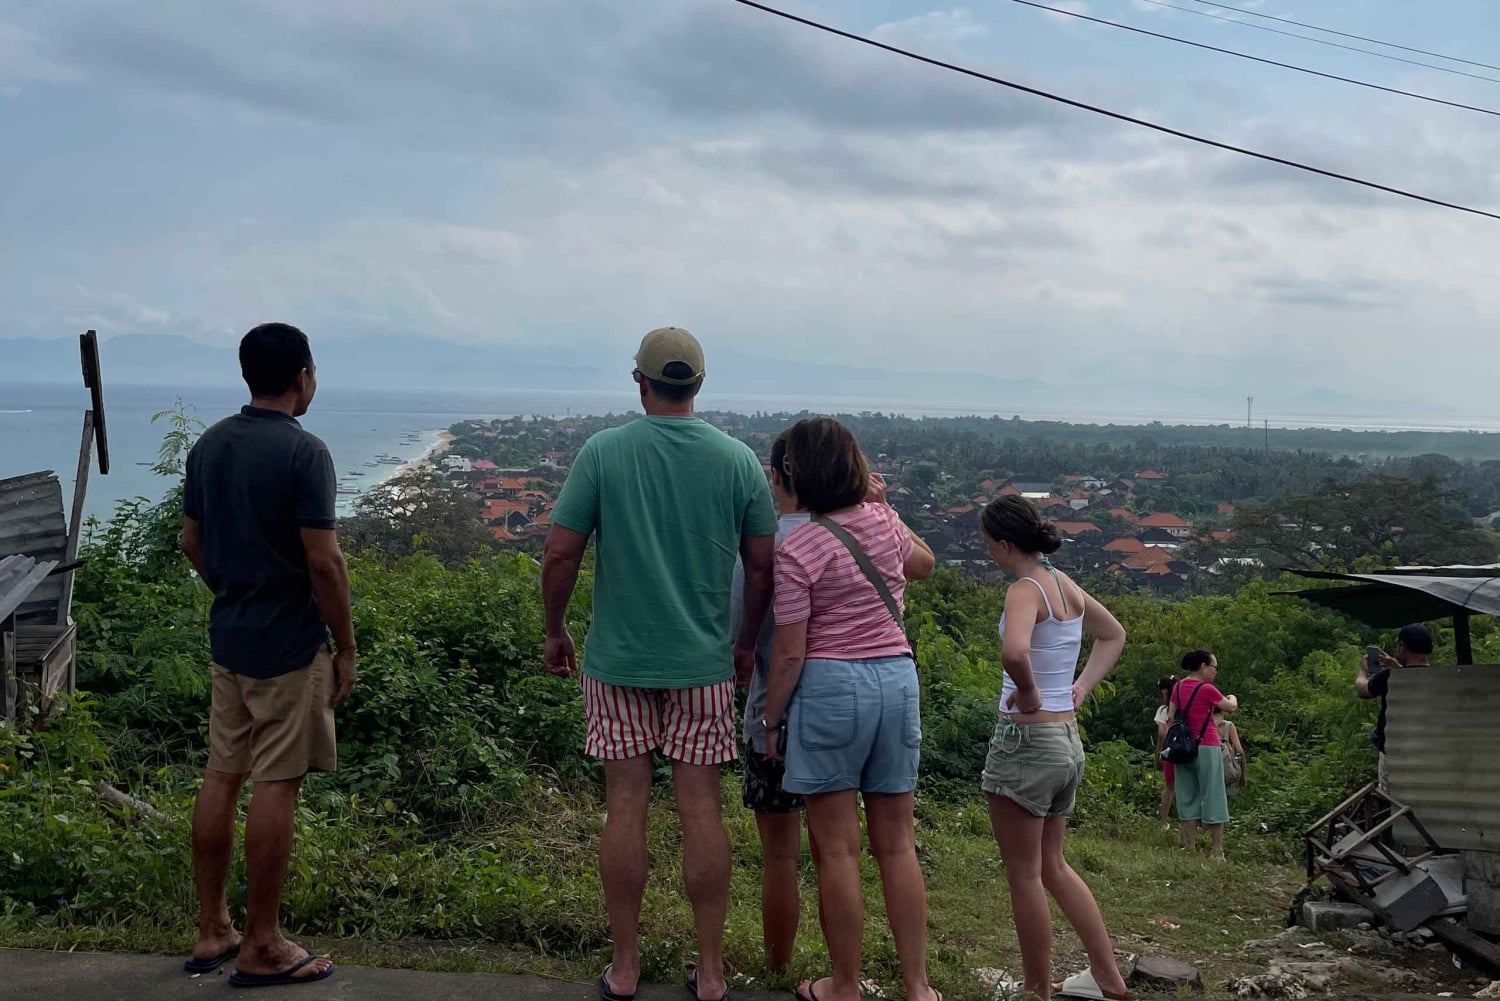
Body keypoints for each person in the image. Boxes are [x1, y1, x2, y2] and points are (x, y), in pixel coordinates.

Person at [542, 327, 778, 1001]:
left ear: (639, 382)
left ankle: (624, 965)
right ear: (698, 386)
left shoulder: (604, 452)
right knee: (700, 808)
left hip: (616, 660)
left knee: (625, 803)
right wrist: (741, 644)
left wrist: (556, 629)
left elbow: (560, 554)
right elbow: (761, 567)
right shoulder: (736, 461)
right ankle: (709, 970)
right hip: (704, 663)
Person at [179, 323, 356, 988]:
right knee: (276, 783)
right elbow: (324, 561)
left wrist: (231, 590)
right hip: (288, 646)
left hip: (230, 640)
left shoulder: (211, 445)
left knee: (222, 772)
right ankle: (262, 941)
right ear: (303, 376)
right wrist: (345, 643)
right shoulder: (304, 454)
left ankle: (211, 927)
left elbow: (191, 541)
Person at [760, 417, 939, 1001]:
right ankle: (918, 985)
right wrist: (884, 505)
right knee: (898, 844)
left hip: (832, 687)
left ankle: (845, 985)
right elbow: (924, 564)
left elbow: (790, 652)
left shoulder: (799, 545)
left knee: (838, 848)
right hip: (897, 678)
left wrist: (771, 720)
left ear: (792, 473)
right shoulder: (884, 521)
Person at [978, 495, 1133, 1001]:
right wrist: (1080, 688)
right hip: (1065, 739)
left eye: (988, 546)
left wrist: (1026, 692)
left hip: (1026, 740)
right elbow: (1113, 635)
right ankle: (1108, 978)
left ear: (1004, 545)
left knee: (1024, 875)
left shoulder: (1024, 589)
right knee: (1054, 866)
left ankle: (1036, 991)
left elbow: (1014, 652)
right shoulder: (1064, 585)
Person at [729, 429, 817, 974]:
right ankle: (846, 972)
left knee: (780, 857)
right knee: (838, 853)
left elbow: (742, 632)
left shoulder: (765, 553)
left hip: (772, 719)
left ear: (776, 478)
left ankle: (778, 969)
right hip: (839, 713)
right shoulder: (848, 539)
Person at [1171, 650, 1237, 862]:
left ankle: (1190, 847)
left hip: (1182, 748)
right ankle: (1216, 850)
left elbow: (1171, 716)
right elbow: (1230, 707)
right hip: (1207, 745)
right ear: (1202, 666)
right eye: (1213, 667)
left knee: (1186, 795)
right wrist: (1232, 697)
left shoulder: (1178, 687)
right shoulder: (1207, 689)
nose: (1215, 671)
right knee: (1213, 795)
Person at [1356, 624, 1433, 792]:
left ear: (1403, 646)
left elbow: (1363, 691)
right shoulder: (1437, 676)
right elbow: (1414, 677)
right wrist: (1397, 666)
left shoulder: (1389, 677)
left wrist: (1362, 672)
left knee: (1393, 797)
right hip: (1429, 750)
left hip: (1394, 751)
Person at [1153, 678, 1176, 828]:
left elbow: (1162, 732)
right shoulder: (1184, 707)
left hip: (1170, 750)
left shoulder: (1163, 710)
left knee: (1169, 787)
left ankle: (1163, 821)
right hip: (1188, 749)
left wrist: (1159, 750)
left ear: (1164, 691)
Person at [1215, 708, 1246, 796]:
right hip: (1225, 769)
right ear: (1223, 710)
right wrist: (1242, 775)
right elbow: (1240, 750)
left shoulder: (1204, 724)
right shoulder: (1228, 725)